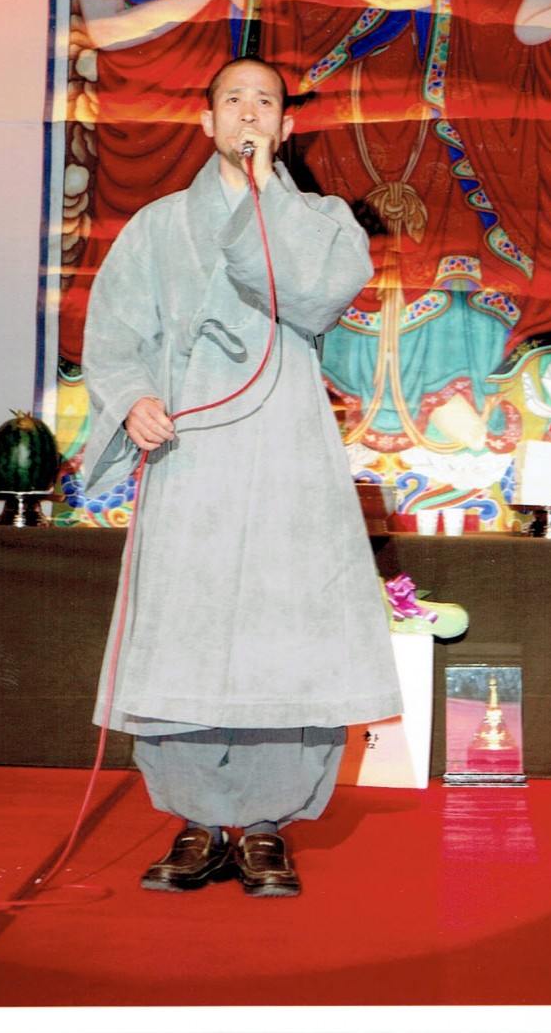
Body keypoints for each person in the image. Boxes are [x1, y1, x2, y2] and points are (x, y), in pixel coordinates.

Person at [81, 56, 402, 898]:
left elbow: (315, 298)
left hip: (288, 456)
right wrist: (134, 397)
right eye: (233, 99)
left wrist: (267, 198)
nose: (249, 112)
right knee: (182, 628)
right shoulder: (156, 227)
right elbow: (112, 335)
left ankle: (265, 825)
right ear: (207, 121)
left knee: (285, 631)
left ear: (287, 127)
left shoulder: (325, 221)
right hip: (191, 458)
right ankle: (194, 820)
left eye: (266, 101)